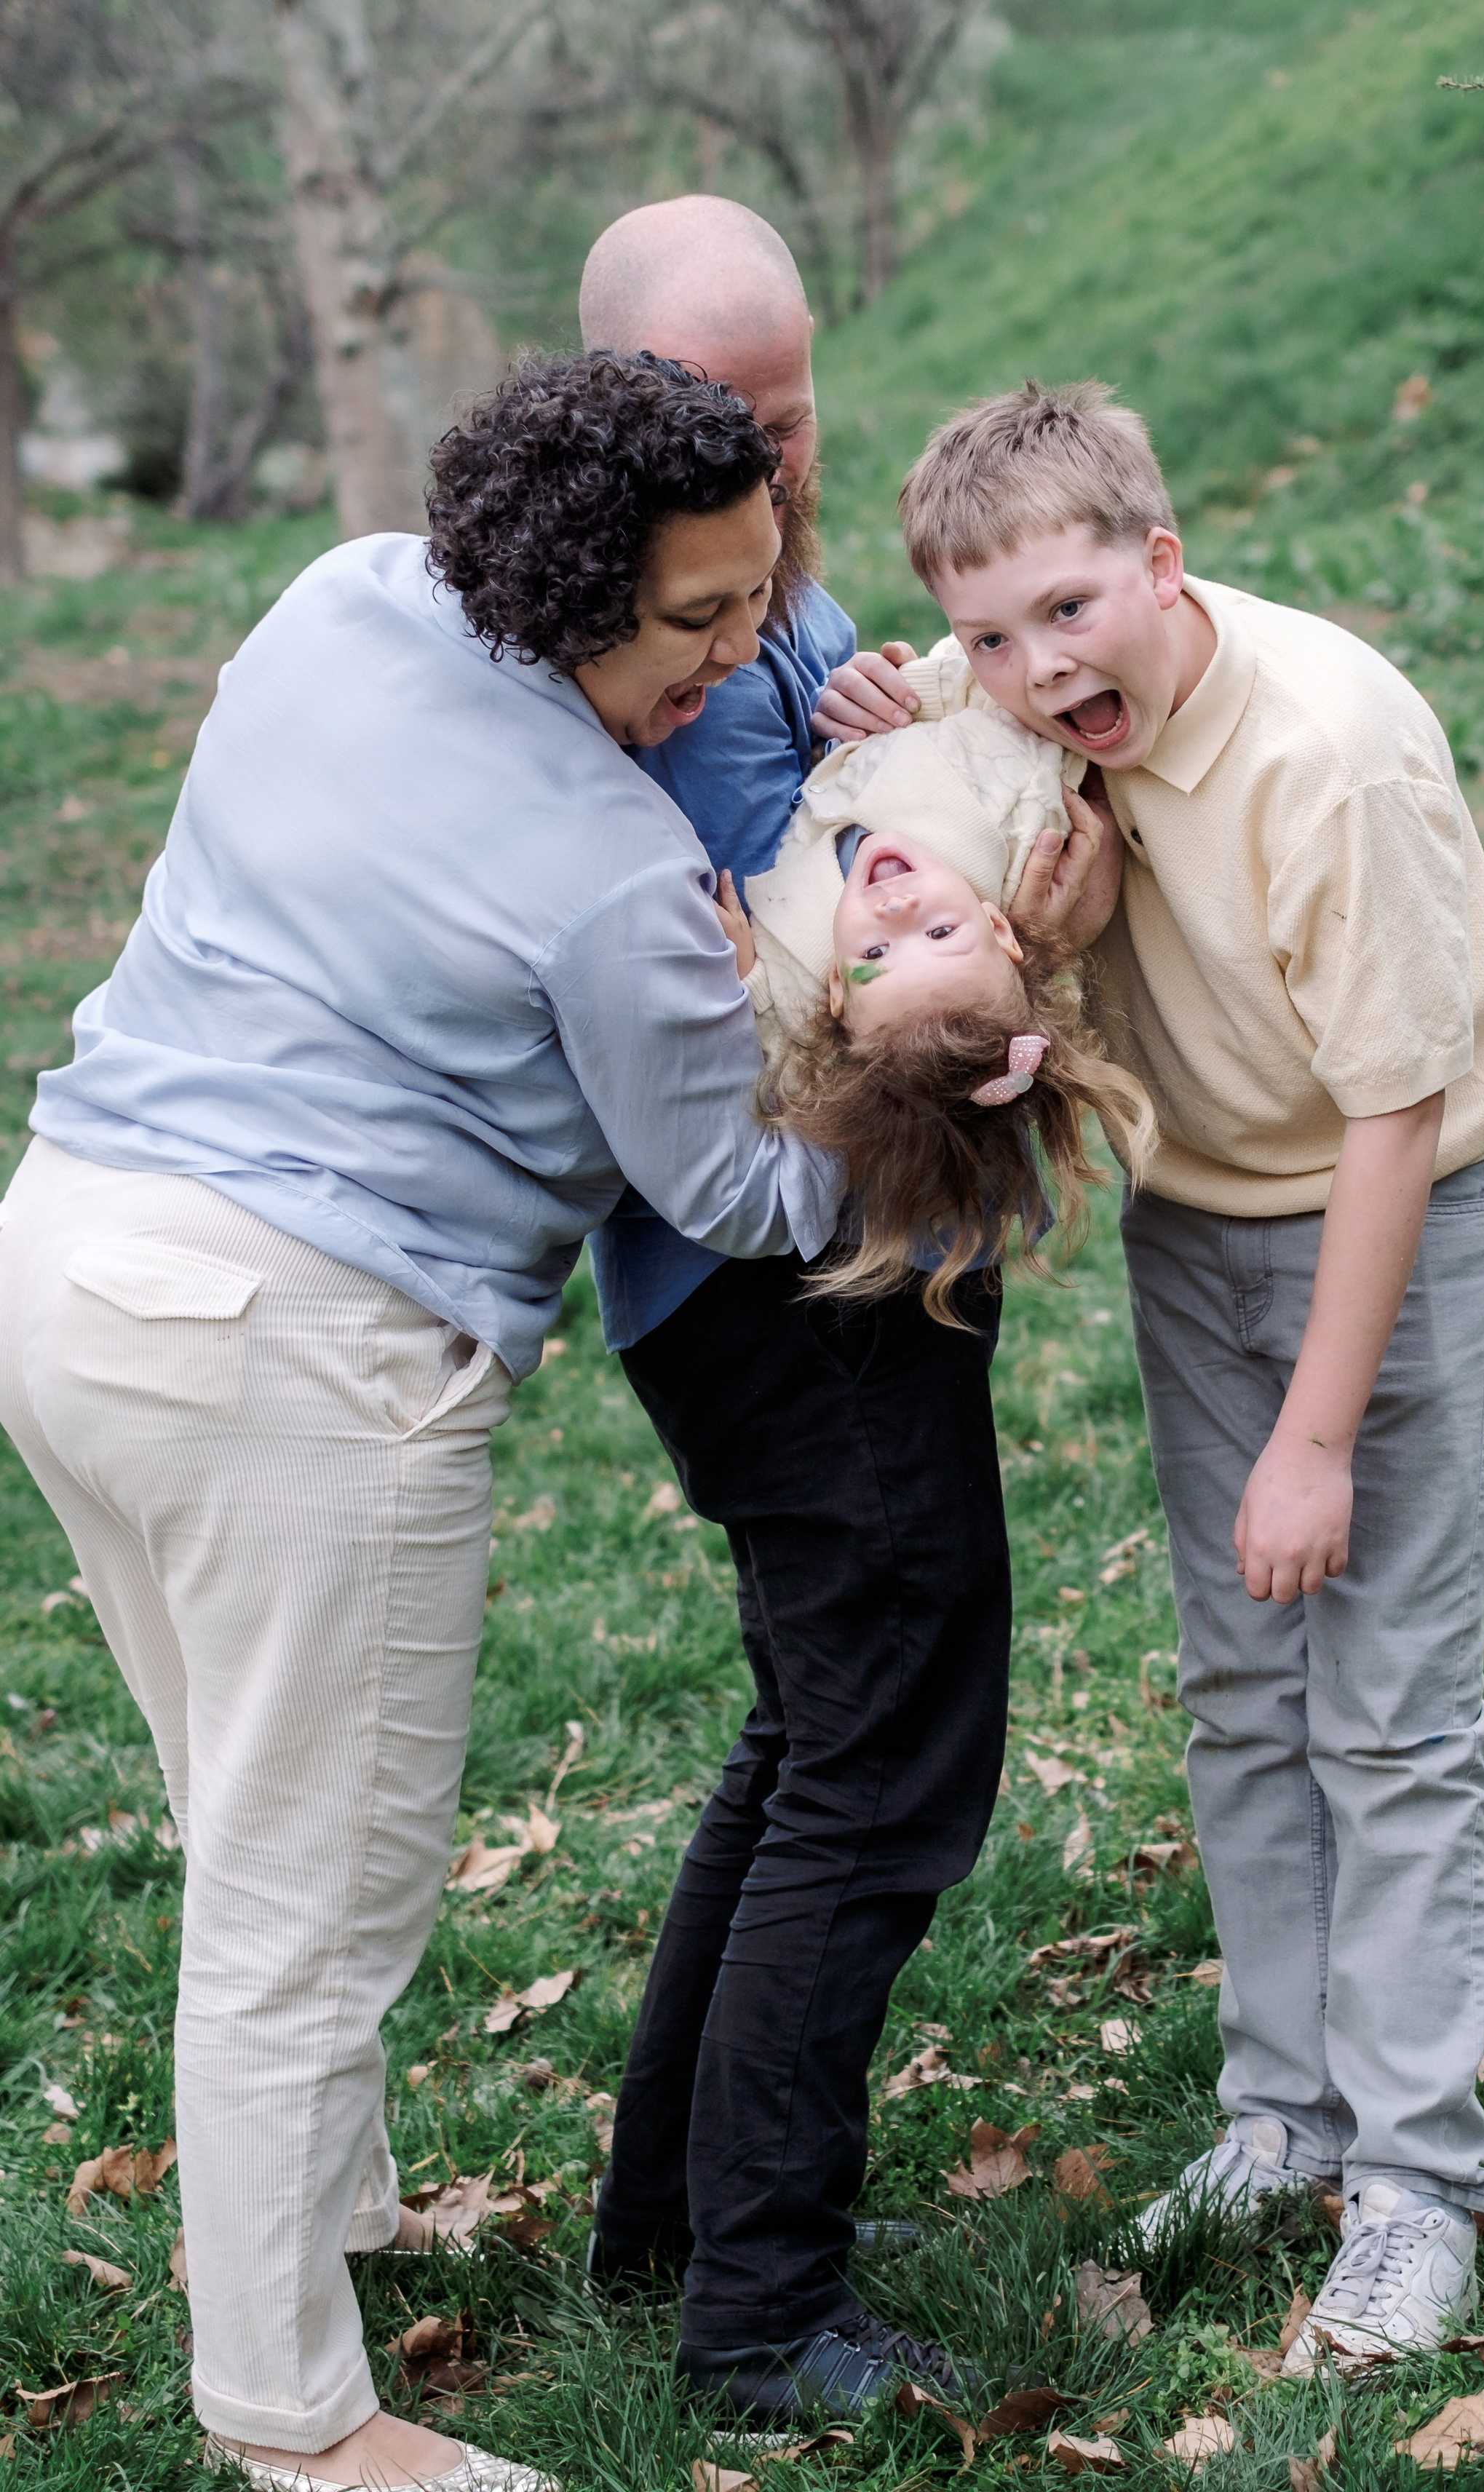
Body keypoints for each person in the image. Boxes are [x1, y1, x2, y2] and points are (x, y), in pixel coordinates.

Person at [0, 352, 836, 2492]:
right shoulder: (611, 866)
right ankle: (299, 2421)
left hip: (67, 1264)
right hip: (294, 1355)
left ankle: (335, 2219)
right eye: (694, 620)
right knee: (310, 1901)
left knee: (248, 1822)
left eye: (757, 597)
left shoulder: (342, 593)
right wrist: (929, 1095)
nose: (735, 654)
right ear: (565, 589)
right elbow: (738, 1189)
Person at [818, 378, 1484, 2370]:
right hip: (1196, 1219)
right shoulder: (1021, 705)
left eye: (1068, 611)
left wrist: (1317, 1440)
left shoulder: (1328, 754)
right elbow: (918, 777)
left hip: (1387, 1217)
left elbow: (1396, 1115)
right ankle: (1280, 2114)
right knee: (1242, 1690)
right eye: (986, 636)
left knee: (1384, 1714)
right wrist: (884, 710)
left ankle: (1415, 2177)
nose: (1037, 671)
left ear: (1160, 561)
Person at [574, 206, 1110, 2422]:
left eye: (792, 417)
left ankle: (681, 2219)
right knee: (881, 1761)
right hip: (785, 1277)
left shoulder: (776, 610)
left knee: (811, 1731)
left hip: (840, 1260)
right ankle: (763, 2315)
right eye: (730, 423)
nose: (776, 469)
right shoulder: (630, 651)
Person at [720, 645, 1156, 1319]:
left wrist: (744, 970)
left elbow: (778, 1047)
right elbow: (1004, 700)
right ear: (1000, 927)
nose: (898, 910)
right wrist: (915, 689)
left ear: (836, 990)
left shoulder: (797, 964)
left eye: (875, 953)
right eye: (942, 934)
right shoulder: (1012, 822)